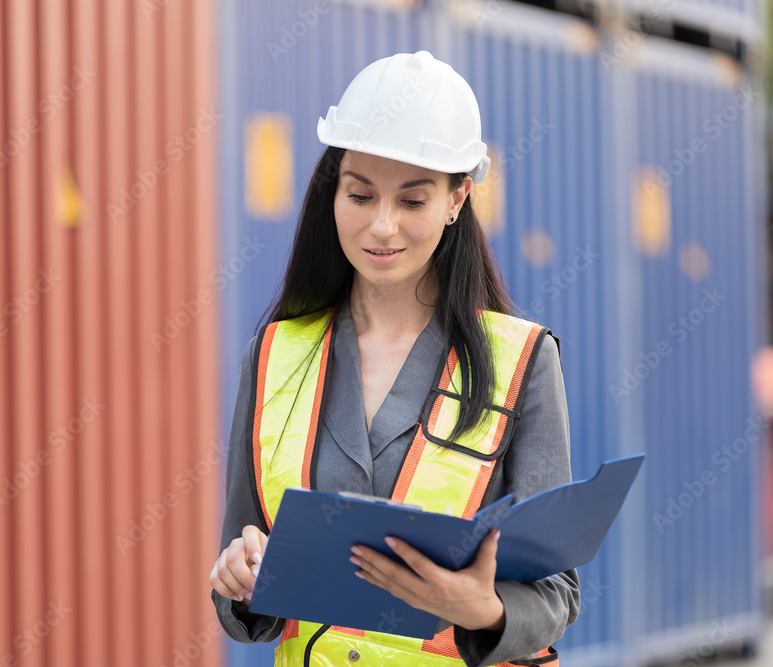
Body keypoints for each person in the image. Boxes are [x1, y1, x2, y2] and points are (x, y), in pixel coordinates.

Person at [209, 50, 578, 667]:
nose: (382, 226)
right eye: (360, 196)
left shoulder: (522, 362)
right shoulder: (273, 356)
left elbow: (555, 594)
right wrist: (242, 578)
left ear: (458, 199)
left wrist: (481, 609)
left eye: (412, 202)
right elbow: (246, 580)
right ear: (333, 192)